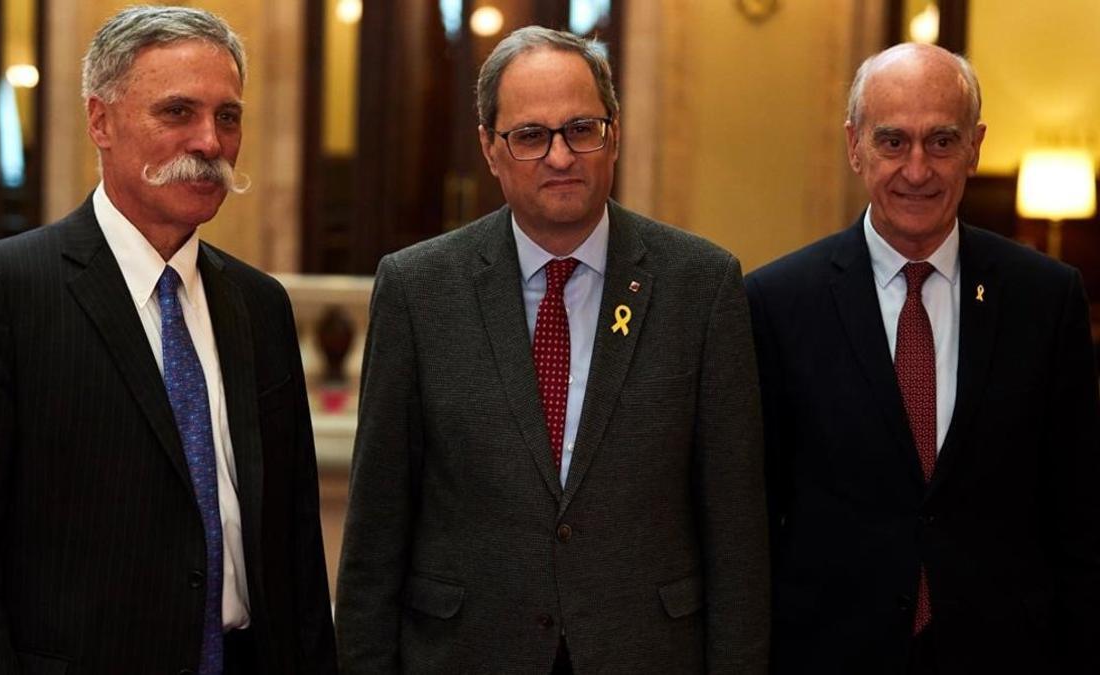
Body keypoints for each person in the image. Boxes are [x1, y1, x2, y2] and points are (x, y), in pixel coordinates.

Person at [0, 6, 335, 673]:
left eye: (228, 116)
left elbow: (296, 548)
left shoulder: (260, 306)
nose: (209, 141)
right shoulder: (0, 290)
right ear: (100, 121)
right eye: (177, 112)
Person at [335, 25, 769, 674]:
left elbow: (737, 535)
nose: (561, 156)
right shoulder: (418, 289)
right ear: (489, 148)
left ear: (614, 132)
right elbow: (374, 534)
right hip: (467, 653)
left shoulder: (700, 285)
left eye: (581, 128)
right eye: (531, 136)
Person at [746, 43, 1100, 674]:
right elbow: (755, 515)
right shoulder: (776, 303)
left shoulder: (1046, 298)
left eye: (941, 141)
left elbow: (1078, 512)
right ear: (855, 145)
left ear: (976, 146)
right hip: (831, 651)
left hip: (1004, 651)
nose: (917, 170)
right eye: (892, 142)